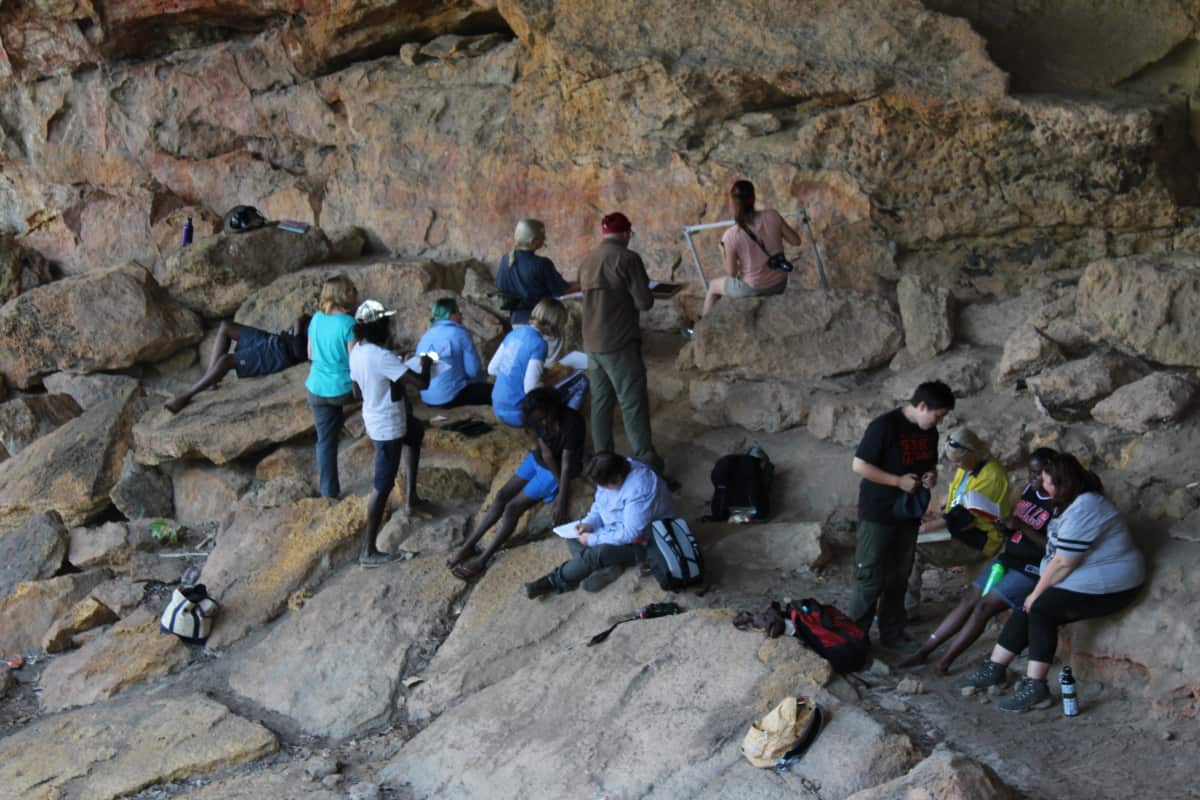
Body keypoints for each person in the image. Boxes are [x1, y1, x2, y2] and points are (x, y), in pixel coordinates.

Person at [956, 453, 1144, 712]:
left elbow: (1064, 561)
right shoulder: (1068, 502)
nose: (1042, 487)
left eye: (1046, 481)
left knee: (1041, 607)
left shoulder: (1086, 506)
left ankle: (1036, 687)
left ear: (1061, 482)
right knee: (1030, 603)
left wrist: (1037, 592)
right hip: (1085, 575)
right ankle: (994, 668)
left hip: (1113, 584)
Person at [899, 448, 1058, 673]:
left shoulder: (1059, 503)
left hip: (1031, 569)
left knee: (983, 607)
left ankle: (946, 661)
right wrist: (1003, 527)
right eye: (1030, 473)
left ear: (1051, 472)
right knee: (969, 599)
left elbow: (1055, 549)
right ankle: (925, 651)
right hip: (1010, 558)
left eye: (1037, 474)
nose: (1031, 479)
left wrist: (1022, 526)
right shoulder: (1030, 492)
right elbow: (1018, 529)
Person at [849, 380, 956, 651]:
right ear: (921, 406)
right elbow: (859, 465)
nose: (939, 422)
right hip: (879, 511)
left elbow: (928, 463)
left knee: (899, 575)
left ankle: (893, 633)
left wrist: (931, 476)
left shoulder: (928, 432)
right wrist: (897, 482)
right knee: (870, 574)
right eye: (937, 415)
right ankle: (854, 639)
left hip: (908, 513)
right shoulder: (884, 426)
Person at [447, 388, 585, 580]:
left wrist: (562, 493)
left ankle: (484, 558)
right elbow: (544, 452)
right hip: (538, 460)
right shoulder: (535, 417)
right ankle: (467, 547)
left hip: (559, 470)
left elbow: (567, 463)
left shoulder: (573, 422)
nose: (543, 422)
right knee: (502, 495)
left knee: (513, 507)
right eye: (539, 420)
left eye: (546, 417)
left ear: (554, 406)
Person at [577, 212, 663, 475]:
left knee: (601, 402)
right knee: (632, 402)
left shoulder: (587, 259)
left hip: (591, 343)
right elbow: (644, 302)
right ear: (626, 234)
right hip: (619, 342)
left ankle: (602, 460)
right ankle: (647, 462)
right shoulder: (628, 258)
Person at [348, 300, 433, 567]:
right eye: (386, 322)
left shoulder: (357, 351)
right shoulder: (381, 356)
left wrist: (388, 376)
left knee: (416, 432)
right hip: (388, 427)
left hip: (378, 417)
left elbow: (356, 392)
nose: (390, 326)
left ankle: (411, 499)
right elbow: (422, 383)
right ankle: (368, 551)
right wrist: (427, 362)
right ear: (378, 327)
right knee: (382, 486)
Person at [524, 451, 674, 598]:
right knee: (574, 536)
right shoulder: (612, 472)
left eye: (605, 485)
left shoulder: (639, 488)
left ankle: (554, 581)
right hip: (616, 527)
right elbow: (600, 505)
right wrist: (588, 523)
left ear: (617, 478)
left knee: (596, 554)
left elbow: (630, 533)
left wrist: (592, 539)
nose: (602, 489)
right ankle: (609, 566)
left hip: (647, 540)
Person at [904, 426, 1012, 616]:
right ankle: (904, 606)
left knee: (911, 548)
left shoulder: (991, 476)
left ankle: (906, 610)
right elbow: (955, 505)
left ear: (972, 452)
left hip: (979, 539)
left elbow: (961, 517)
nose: (955, 466)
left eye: (958, 461)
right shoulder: (971, 465)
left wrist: (926, 528)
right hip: (962, 529)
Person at [165, 315, 310, 413]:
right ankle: (211, 379)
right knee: (226, 327)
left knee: (226, 361)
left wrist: (298, 326)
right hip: (275, 340)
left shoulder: (329, 338)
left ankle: (187, 395)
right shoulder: (321, 319)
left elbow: (300, 353)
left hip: (280, 355)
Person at [702, 180, 803, 316]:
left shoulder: (731, 234)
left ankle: (702, 331)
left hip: (753, 287)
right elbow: (796, 241)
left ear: (732, 202)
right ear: (753, 197)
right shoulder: (772, 215)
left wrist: (723, 252)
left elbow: (731, 273)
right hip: (779, 282)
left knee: (713, 287)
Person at [306, 274, 358, 499]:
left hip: (316, 388)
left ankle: (329, 493)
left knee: (325, 442)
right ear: (343, 295)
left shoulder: (316, 318)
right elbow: (356, 362)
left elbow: (309, 354)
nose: (355, 293)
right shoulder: (349, 324)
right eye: (352, 289)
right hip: (343, 389)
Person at [488, 297, 567, 427]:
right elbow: (531, 388)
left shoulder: (514, 334)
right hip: (517, 413)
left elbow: (492, 369)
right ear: (554, 323)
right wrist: (558, 377)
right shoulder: (539, 344)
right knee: (565, 394)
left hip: (497, 406)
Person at [496, 219, 578, 325]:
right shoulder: (542, 264)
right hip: (540, 322)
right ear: (533, 241)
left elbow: (500, 288)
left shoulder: (505, 260)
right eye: (542, 237)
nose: (544, 239)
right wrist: (584, 284)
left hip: (516, 321)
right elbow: (561, 290)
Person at [414, 298, 490, 408]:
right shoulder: (460, 333)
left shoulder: (426, 335)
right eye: (458, 311)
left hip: (426, 398)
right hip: (450, 398)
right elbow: (473, 371)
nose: (461, 314)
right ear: (451, 315)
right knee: (493, 391)